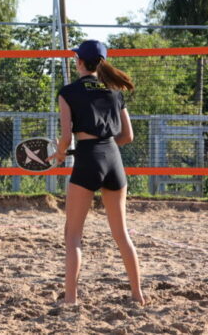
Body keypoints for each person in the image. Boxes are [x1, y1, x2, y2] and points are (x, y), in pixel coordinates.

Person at [47, 39, 145, 305]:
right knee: (121, 234)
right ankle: (137, 295)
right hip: (113, 158)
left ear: (79, 62)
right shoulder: (115, 92)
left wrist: (60, 153)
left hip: (88, 158)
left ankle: (70, 299)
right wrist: (104, 147)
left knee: (73, 235)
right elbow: (128, 136)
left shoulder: (68, 92)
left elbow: (67, 138)